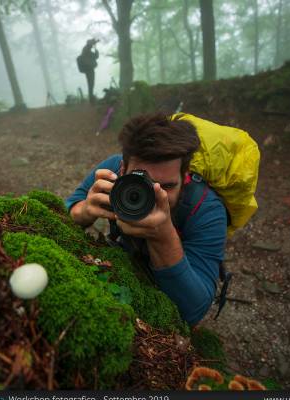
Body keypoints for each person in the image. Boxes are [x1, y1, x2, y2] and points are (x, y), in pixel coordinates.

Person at [65, 112, 227, 326]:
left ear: (184, 175)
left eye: (167, 186)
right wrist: (84, 210)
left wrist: (164, 236)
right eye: (141, 182)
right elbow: (67, 207)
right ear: (123, 169)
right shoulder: (112, 172)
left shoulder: (206, 209)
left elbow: (194, 310)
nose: (154, 194)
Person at [77, 39, 99, 104]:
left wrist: (94, 45)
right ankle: (91, 100)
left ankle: (91, 98)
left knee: (90, 84)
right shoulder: (87, 50)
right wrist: (95, 48)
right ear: (90, 44)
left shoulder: (85, 49)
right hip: (89, 70)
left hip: (88, 69)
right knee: (91, 84)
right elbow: (96, 56)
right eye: (92, 44)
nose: (92, 45)